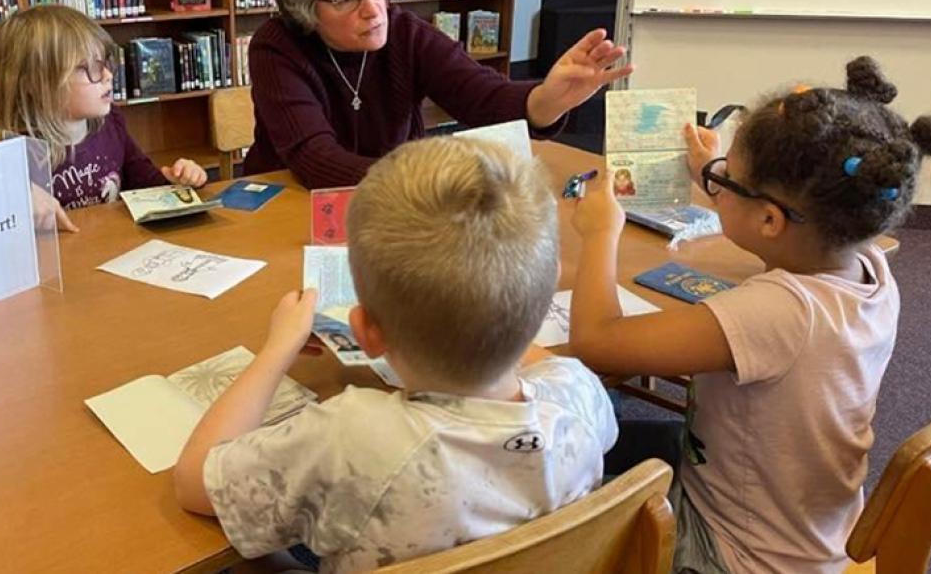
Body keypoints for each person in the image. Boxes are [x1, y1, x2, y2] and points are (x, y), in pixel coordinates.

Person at [566, 56, 931, 573]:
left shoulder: (773, 312)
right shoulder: (864, 264)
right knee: (627, 435)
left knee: (567, 471)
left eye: (729, 178)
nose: (719, 180)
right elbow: (774, 235)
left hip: (736, 554)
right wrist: (712, 175)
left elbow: (596, 339)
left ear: (770, 218)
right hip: (811, 531)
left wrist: (599, 235)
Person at [173, 136, 617, 571]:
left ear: (365, 331)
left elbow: (194, 480)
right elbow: (545, 362)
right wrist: (502, 314)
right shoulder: (578, 392)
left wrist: (277, 348)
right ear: (546, 295)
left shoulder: (350, 439)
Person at [245, 0, 632, 188]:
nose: (373, 9)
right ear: (304, 9)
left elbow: (481, 94)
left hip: (393, 202)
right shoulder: (276, 47)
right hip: (288, 203)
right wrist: (430, 175)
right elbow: (315, 160)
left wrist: (549, 99)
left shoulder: (403, 32)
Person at [0, 5, 207, 231]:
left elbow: (145, 182)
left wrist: (177, 179)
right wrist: (17, 200)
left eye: (104, 63)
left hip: (112, 248)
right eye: (87, 68)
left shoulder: (110, 122)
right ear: (36, 84)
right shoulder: (10, 153)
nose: (108, 76)